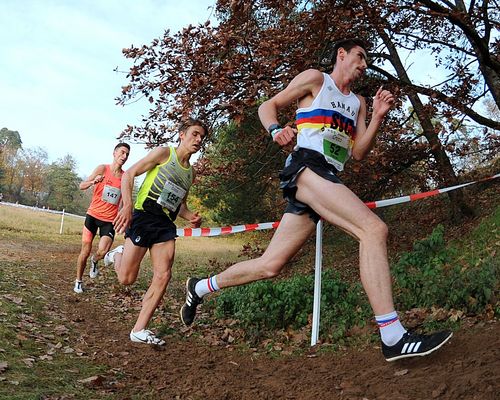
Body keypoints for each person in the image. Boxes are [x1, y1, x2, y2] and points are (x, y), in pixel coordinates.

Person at [180, 38, 453, 362]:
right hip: (306, 168)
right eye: (360, 57)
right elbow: (267, 106)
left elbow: (359, 152)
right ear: (341, 55)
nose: (364, 64)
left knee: (270, 266)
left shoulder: (359, 103)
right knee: (373, 230)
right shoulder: (316, 80)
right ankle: (392, 336)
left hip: (328, 177)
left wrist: (378, 115)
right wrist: (275, 130)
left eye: (366, 60)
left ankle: (199, 288)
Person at [104, 118, 206, 346]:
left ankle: (139, 329)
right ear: (182, 134)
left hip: (165, 225)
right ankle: (117, 255)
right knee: (126, 279)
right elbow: (129, 174)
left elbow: (179, 203)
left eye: (202, 137)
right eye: (195, 134)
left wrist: (191, 217)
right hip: (143, 216)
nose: (198, 140)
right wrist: (128, 205)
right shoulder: (163, 154)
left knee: (164, 274)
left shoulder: (191, 173)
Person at [74, 143, 130, 294]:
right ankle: (78, 281)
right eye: (122, 152)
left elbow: (125, 200)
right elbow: (81, 185)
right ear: (114, 153)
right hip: (92, 216)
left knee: (103, 251)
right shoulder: (102, 169)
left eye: (127, 155)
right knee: (84, 251)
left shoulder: (125, 177)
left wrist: (123, 215)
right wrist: (94, 181)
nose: (124, 157)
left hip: (109, 220)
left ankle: (95, 260)